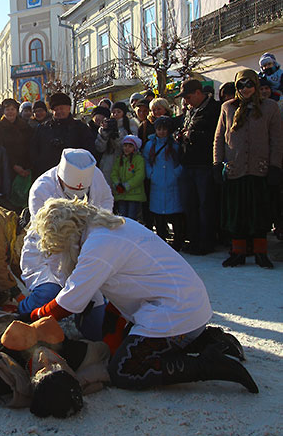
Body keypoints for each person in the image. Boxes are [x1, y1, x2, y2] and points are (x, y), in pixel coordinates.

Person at [23, 198, 258, 393]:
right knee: (126, 347)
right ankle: (207, 340)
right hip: (186, 305)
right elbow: (123, 290)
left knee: (125, 370)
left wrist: (33, 317)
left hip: (176, 312)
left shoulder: (98, 246)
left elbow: (70, 302)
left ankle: (206, 365)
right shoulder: (108, 226)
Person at [19, 148, 114, 341]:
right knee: (51, 292)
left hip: (86, 245)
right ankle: (20, 312)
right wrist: (70, 286)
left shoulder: (95, 175)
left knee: (96, 302)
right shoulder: (41, 189)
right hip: (45, 252)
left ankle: (90, 343)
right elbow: (50, 238)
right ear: (61, 180)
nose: (77, 199)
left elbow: (106, 202)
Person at [214, 69, 283, 268]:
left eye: (249, 84)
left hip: (259, 169)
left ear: (255, 85)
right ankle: (238, 252)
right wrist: (216, 163)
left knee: (259, 214)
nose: (245, 89)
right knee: (237, 214)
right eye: (241, 85)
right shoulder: (228, 107)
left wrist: (276, 166)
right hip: (235, 169)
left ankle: (261, 253)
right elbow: (219, 138)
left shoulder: (270, 107)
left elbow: (277, 139)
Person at [177, 78, 220, 255]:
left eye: (187, 97)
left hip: (204, 164)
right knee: (190, 205)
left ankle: (206, 242)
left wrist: (191, 134)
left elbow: (215, 135)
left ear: (197, 93)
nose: (185, 101)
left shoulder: (214, 109)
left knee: (205, 205)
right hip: (188, 163)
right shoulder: (190, 110)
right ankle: (193, 239)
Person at [31, 92, 96, 179]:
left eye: (61, 108)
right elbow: (34, 151)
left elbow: (89, 150)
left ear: (69, 108)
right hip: (48, 176)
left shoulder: (80, 128)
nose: (59, 112)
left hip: (74, 176)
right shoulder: (43, 128)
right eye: (56, 109)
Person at [143, 116, 184, 249]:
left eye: (164, 129)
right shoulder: (150, 145)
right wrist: (151, 174)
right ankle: (161, 241)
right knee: (158, 214)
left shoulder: (175, 144)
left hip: (173, 182)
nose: (161, 132)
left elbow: (181, 161)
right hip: (157, 182)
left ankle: (178, 241)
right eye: (159, 129)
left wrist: (177, 173)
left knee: (175, 214)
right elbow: (146, 160)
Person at [0, 98, 33, 210]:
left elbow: (30, 146)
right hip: (7, 169)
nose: (10, 112)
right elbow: (1, 149)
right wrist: (14, 165)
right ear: (3, 111)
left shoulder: (25, 127)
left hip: (25, 168)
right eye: (7, 109)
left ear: (17, 111)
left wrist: (27, 166)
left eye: (13, 109)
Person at [111, 135, 146, 220]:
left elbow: (140, 176)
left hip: (134, 194)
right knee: (122, 218)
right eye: (125, 146)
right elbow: (114, 173)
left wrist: (127, 185)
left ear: (135, 147)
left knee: (131, 218)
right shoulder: (119, 159)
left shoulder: (139, 159)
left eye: (130, 146)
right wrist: (117, 184)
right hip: (121, 194)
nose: (127, 148)